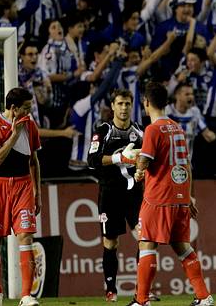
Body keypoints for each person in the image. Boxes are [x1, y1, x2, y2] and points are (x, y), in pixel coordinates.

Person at [130, 82, 213, 306]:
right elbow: (186, 165)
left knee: (146, 244)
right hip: (178, 197)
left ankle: (141, 300)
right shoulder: (177, 128)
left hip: (158, 197)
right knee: (182, 247)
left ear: (146, 103)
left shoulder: (152, 129)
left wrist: (138, 170)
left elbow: (145, 160)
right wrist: (187, 197)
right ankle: (204, 296)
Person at [0, 87, 41, 306]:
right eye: (26, 107)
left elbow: (34, 160)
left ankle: (26, 295)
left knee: (26, 237)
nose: (29, 111)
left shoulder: (31, 125)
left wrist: (38, 193)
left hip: (23, 185)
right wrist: (15, 134)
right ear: (14, 108)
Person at [86, 89, 144, 302]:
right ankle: (111, 290)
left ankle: (142, 289)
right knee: (111, 242)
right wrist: (119, 157)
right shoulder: (103, 130)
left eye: (127, 103)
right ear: (112, 106)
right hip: (110, 194)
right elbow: (92, 161)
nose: (124, 107)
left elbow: (147, 158)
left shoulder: (139, 131)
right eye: (120, 103)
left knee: (144, 238)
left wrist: (141, 168)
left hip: (134, 194)